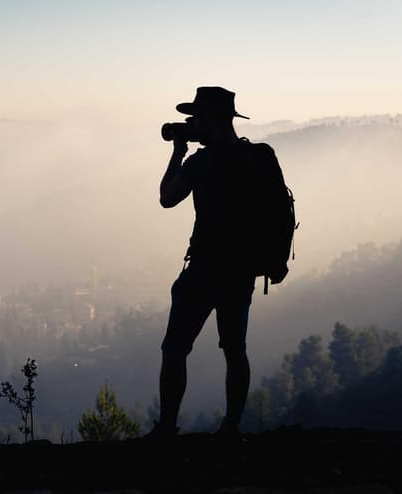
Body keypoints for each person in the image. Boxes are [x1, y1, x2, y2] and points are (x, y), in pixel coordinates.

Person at [150, 86, 289, 441]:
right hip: (243, 269)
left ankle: (167, 428)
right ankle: (231, 427)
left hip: (205, 269)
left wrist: (178, 152)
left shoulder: (201, 162)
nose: (191, 123)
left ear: (209, 119)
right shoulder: (260, 156)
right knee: (235, 350)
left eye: (195, 117)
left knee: (175, 349)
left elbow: (167, 198)